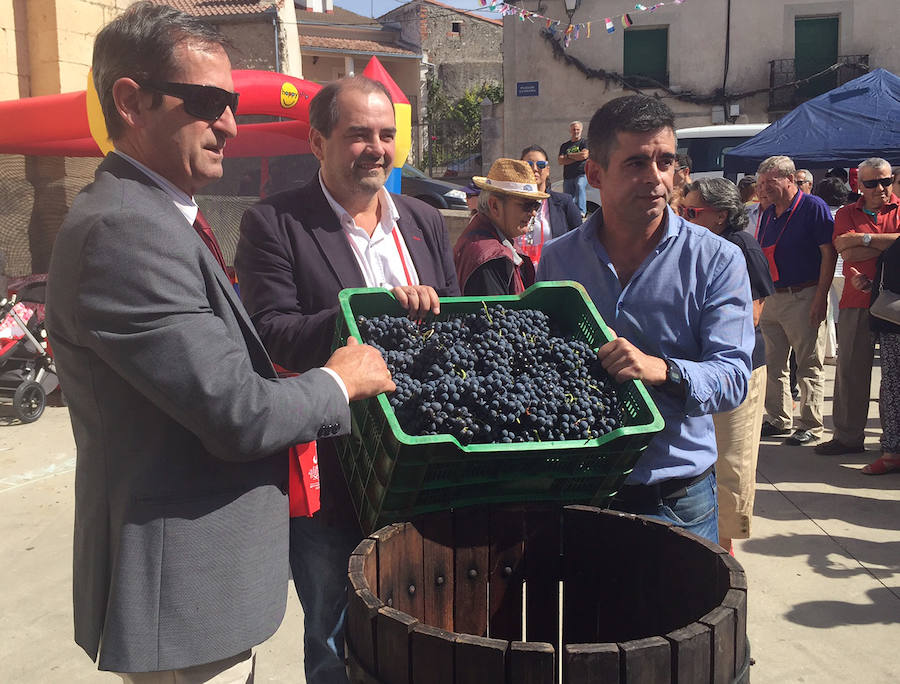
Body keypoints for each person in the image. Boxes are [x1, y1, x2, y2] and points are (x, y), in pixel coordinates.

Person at [44, 4, 393, 680]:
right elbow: (237, 413)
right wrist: (339, 380)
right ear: (130, 101)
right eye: (206, 102)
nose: (229, 124)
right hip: (182, 602)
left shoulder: (158, 217)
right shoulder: (124, 231)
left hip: (203, 596)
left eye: (231, 104)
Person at [234, 75, 459, 683]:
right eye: (358, 134)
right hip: (331, 470)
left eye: (387, 135)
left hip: (422, 462)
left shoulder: (423, 220)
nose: (377, 148)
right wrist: (367, 313)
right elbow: (270, 330)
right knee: (335, 636)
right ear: (317, 143)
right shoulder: (273, 223)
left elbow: (458, 326)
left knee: (426, 623)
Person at [537, 95, 753, 544]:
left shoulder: (717, 259)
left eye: (665, 161)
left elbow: (734, 377)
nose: (656, 177)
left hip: (676, 499)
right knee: (588, 616)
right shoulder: (558, 259)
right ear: (595, 175)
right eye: (636, 163)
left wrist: (663, 370)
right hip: (582, 491)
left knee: (684, 616)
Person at [680, 178, 774, 552]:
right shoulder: (701, 246)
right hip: (705, 370)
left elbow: (751, 313)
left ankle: (724, 548)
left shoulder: (740, 247)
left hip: (741, 369)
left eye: (692, 212)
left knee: (731, 463)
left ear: (720, 215)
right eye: (682, 210)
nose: (684, 218)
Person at [816, 158, 900, 456]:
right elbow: (842, 248)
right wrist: (887, 243)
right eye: (872, 183)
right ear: (858, 185)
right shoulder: (847, 213)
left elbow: (856, 245)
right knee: (851, 370)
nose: (880, 188)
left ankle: (893, 441)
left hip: (894, 303)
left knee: (894, 377)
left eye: (885, 181)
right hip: (857, 300)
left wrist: (863, 239)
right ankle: (848, 437)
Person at [756, 155, 836, 446]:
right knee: (773, 363)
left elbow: (829, 253)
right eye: (760, 183)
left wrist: (820, 298)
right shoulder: (768, 211)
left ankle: (812, 425)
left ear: (790, 179)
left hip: (803, 295)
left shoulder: (813, 207)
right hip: (772, 298)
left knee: (808, 363)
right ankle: (778, 419)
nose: (762, 188)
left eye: (769, 182)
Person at [453, 158, 547, 295]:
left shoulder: (489, 239)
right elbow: (497, 315)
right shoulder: (491, 258)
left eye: (535, 205)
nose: (533, 213)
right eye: (527, 205)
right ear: (495, 206)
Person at [849, 241, 900, 474]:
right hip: (890, 325)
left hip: (894, 327)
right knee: (891, 389)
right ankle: (891, 451)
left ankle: (891, 454)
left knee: (892, 389)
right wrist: (870, 287)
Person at [515, 144, 581, 265]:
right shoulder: (511, 204)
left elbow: (580, 242)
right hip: (519, 278)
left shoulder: (564, 203)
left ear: (547, 170)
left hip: (553, 278)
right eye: (528, 164)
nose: (534, 169)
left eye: (540, 165)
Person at [814, 176, 850, 362]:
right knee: (847, 313)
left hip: (826, 268)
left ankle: (828, 351)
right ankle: (847, 348)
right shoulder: (847, 213)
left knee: (826, 312)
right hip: (846, 268)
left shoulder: (819, 213)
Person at [558, 120, 588, 215]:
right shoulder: (565, 145)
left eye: (578, 129)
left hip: (581, 173)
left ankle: (581, 211)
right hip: (568, 176)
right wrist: (577, 157)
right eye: (574, 129)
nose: (576, 131)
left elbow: (584, 156)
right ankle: (569, 213)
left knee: (580, 185)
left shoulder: (585, 142)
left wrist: (569, 155)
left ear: (581, 130)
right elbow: (561, 161)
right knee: (568, 197)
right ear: (570, 131)